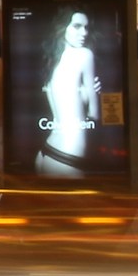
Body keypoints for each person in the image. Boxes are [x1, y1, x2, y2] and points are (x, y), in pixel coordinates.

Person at [36, 10, 102, 177]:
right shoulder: (84, 55)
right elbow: (94, 115)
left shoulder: (52, 61)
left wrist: (84, 93)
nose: (84, 33)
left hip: (46, 152)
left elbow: (67, 105)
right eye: (77, 26)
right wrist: (94, 93)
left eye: (86, 27)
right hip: (69, 156)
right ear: (62, 28)